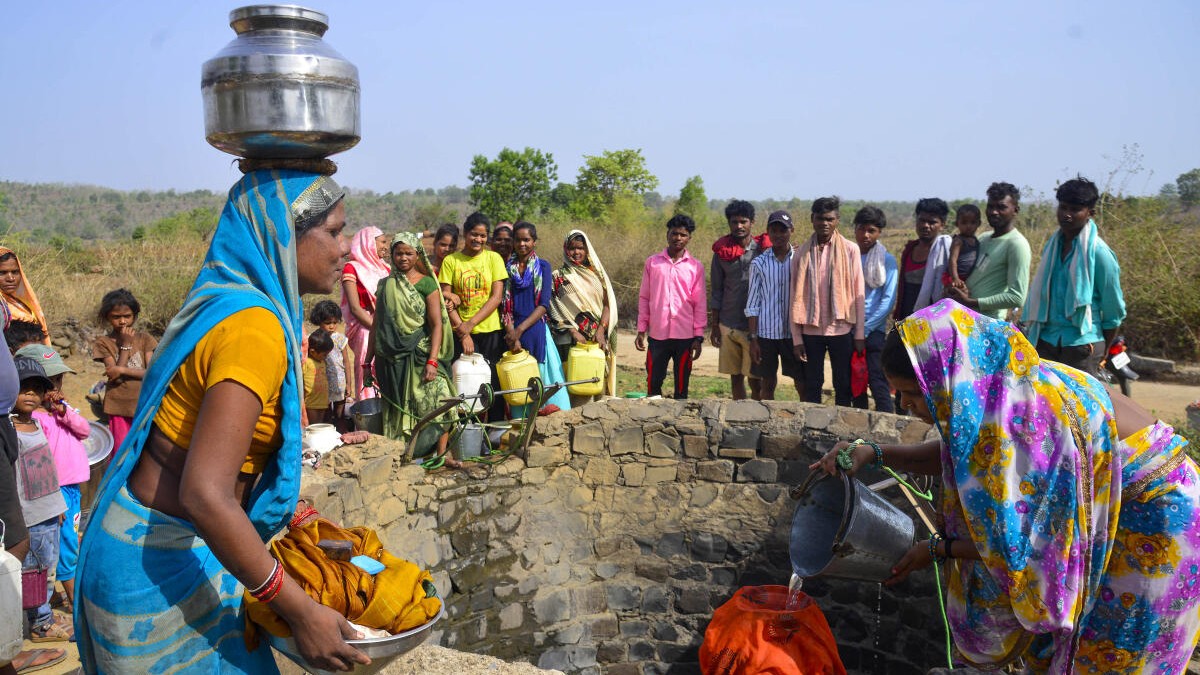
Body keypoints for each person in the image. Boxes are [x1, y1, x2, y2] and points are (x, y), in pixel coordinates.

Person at [76, 170, 370, 673]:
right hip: (160, 565)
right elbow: (205, 494)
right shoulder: (252, 329)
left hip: (172, 544)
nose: (344, 249)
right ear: (282, 235)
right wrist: (300, 611)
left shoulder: (230, 302)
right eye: (335, 232)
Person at [813, 299, 1200, 673]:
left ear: (947, 379)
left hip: (1155, 528)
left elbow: (1026, 552)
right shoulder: (999, 381)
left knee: (1107, 657)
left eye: (914, 394)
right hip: (1127, 511)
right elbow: (964, 455)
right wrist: (875, 453)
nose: (905, 404)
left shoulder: (1024, 421)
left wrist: (937, 549)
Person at [366, 232, 457, 462]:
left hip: (422, 353)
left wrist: (433, 361)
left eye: (409, 253)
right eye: (398, 253)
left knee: (442, 400)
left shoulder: (427, 284)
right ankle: (404, 457)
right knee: (399, 411)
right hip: (391, 359)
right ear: (392, 256)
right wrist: (367, 362)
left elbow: (436, 325)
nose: (403, 258)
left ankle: (442, 454)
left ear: (418, 255)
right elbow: (377, 325)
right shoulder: (385, 285)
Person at [1022, 177, 1126, 373]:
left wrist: (1099, 351)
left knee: (1077, 404)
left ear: (1090, 213)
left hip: (1082, 345)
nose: (1067, 215)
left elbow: (1113, 311)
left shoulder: (1099, 253)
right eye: (1063, 207)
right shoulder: (1052, 247)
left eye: (1075, 209)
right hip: (1047, 341)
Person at [19, 345, 89, 614]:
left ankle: (59, 596)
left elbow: (84, 430)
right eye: (48, 383)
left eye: (58, 381)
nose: (55, 388)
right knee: (63, 546)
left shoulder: (61, 410)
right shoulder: (34, 418)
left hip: (71, 490)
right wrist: (52, 497)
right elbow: (39, 463)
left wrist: (64, 411)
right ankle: (74, 602)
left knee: (67, 541)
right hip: (54, 492)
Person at [11, 356, 71, 642]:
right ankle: (40, 625)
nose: (31, 395)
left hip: (49, 512)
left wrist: (57, 505)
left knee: (48, 568)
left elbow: (48, 467)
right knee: (34, 573)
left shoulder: (36, 424)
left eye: (37, 389)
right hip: (29, 517)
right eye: (24, 388)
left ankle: (42, 612)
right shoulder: (7, 431)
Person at [790, 197, 865, 406]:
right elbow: (793, 297)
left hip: (840, 329)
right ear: (812, 219)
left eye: (829, 219)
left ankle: (841, 428)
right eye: (820, 218)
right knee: (813, 382)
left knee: (842, 382)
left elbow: (859, 292)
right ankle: (814, 429)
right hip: (810, 329)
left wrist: (859, 333)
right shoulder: (801, 254)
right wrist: (797, 338)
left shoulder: (850, 250)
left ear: (837, 220)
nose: (825, 223)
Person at [439, 212, 508, 421]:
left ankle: (494, 434)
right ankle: (469, 434)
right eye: (474, 235)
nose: (478, 240)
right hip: (461, 334)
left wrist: (470, 324)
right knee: (468, 387)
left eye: (483, 235)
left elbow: (496, 298)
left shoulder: (493, 258)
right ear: (465, 234)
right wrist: (464, 332)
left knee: (494, 385)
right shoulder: (452, 261)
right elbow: (446, 300)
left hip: (491, 332)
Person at [501, 222, 570, 417]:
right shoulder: (507, 268)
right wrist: (512, 335)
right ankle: (522, 430)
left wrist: (519, 331)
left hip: (536, 331)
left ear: (534, 242)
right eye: (518, 240)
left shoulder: (543, 266)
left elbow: (543, 304)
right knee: (520, 383)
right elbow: (504, 306)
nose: (522, 244)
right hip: (513, 334)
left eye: (526, 240)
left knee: (545, 381)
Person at [635, 215, 706, 399]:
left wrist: (698, 336)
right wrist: (641, 329)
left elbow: (699, 303)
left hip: (685, 336)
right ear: (667, 235)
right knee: (654, 381)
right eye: (674, 233)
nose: (678, 238)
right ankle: (651, 421)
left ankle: (680, 422)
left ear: (689, 238)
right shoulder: (653, 263)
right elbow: (644, 297)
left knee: (682, 384)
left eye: (683, 235)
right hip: (658, 334)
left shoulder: (695, 267)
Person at [549, 230, 618, 405]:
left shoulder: (597, 275)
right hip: (570, 341)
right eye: (572, 248)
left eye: (580, 248)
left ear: (587, 250)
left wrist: (601, 330)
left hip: (597, 339)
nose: (576, 252)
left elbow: (608, 304)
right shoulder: (558, 277)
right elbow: (554, 308)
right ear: (566, 249)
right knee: (576, 387)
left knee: (598, 385)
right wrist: (573, 331)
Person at [945, 181, 1032, 321]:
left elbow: (1017, 297)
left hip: (987, 323)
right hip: (963, 317)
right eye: (990, 206)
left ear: (1015, 210)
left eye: (1001, 207)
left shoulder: (1017, 244)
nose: (994, 212)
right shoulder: (983, 238)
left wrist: (971, 302)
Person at [709, 199, 767, 401]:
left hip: (757, 326)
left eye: (743, 221)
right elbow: (717, 291)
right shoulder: (721, 253)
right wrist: (715, 326)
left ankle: (758, 418)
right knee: (736, 377)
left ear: (752, 222)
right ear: (729, 223)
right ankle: (738, 418)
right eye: (734, 222)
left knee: (756, 379)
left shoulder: (764, 250)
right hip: (729, 323)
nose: (739, 226)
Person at [745, 210, 803, 401]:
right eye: (774, 230)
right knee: (767, 384)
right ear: (768, 232)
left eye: (783, 230)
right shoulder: (759, 263)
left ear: (791, 231)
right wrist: (753, 339)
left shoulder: (800, 259)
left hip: (792, 333)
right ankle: (766, 425)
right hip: (766, 334)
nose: (778, 235)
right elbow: (753, 303)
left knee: (801, 383)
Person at [91, 288, 157, 450]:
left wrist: (122, 370)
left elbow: (151, 373)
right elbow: (115, 376)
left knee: (144, 451)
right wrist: (126, 345)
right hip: (118, 406)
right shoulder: (103, 342)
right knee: (121, 451)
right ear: (107, 317)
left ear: (134, 316)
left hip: (143, 404)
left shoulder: (145, 339)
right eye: (116, 317)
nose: (122, 321)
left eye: (127, 316)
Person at [851, 206, 896, 412]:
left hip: (873, 329)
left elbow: (887, 300)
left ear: (879, 233)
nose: (865, 235)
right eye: (861, 229)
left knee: (877, 380)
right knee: (853, 381)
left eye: (871, 231)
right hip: (848, 326)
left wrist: (865, 330)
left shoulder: (886, 260)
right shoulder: (848, 256)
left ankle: (886, 423)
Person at [341, 225, 391, 401]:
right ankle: (369, 414)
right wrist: (379, 329)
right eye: (382, 242)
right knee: (367, 370)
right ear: (368, 243)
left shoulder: (386, 269)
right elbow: (355, 308)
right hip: (365, 328)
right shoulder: (352, 268)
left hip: (388, 329)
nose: (386, 246)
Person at [893, 198, 952, 321]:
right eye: (922, 220)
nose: (925, 225)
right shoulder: (909, 250)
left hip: (934, 321)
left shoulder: (947, 252)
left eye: (932, 222)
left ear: (942, 225)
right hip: (907, 319)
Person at [309, 300, 355, 431]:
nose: (332, 326)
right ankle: (328, 437)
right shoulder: (314, 339)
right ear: (319, 321)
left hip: (339, 382)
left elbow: (346, 361)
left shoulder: (340, 338)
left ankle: (341, 436)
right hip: (323, 384)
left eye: (334, 323)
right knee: (326, 415)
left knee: (339, 415)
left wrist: (349, 384)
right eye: (328, 323)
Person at [0, 247, 50, 343]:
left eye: (15, 272)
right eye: (2, 273)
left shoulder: (24, 303)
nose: (10, 278)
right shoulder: (1, 307)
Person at [946, 204, 981, 289]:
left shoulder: (976, 240)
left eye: (973, 222)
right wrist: (955, 278)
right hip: (957, 279)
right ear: (957, 224)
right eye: (964, 222)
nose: (968, 226)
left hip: (969, 279)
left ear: (978, 223)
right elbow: (952, 261)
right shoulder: (958, 241)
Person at [304, 329, 334, 424]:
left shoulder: (322, 362)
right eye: (324, 354)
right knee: (313, 427)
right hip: (311, 403)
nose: (326, 357)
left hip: (323, 402)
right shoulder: (306, 363)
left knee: (319, 426)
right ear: (312, 352)